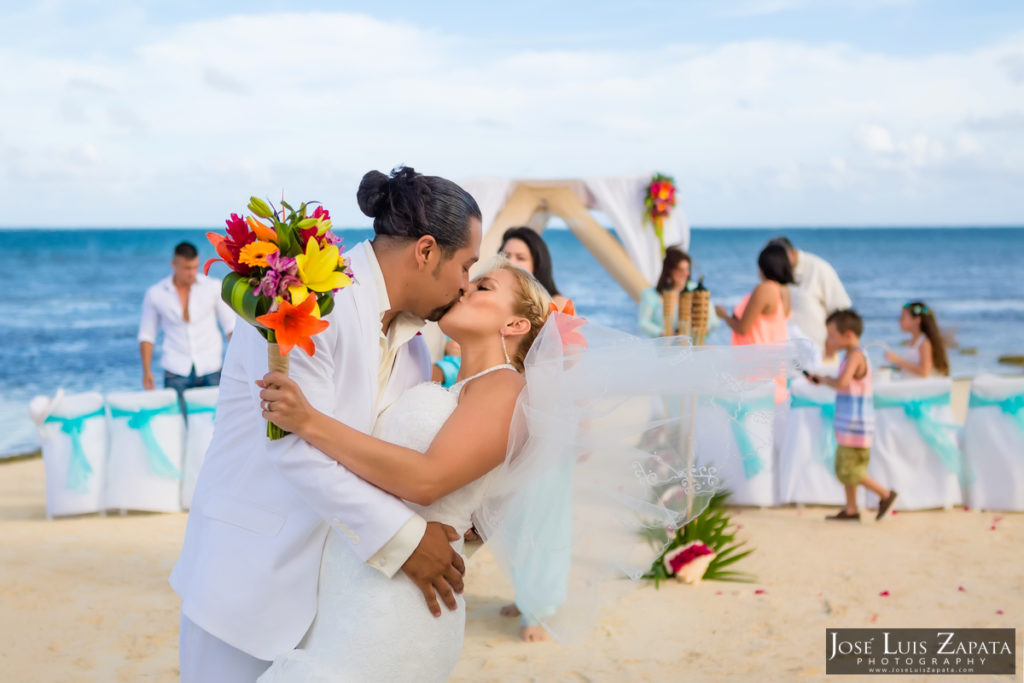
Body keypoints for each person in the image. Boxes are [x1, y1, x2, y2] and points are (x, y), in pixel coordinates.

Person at [255, 259, 790, 679]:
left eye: (482, 286)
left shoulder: (506, 388)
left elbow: (424, 478)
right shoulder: (444, 383)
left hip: (395, 608)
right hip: (360, 587)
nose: (464, 289)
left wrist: (309, 421)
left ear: (515, 323)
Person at [170, 167, 482, 682]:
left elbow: (380, 459)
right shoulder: (304, 294)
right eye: (466, 266)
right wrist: (406, 540)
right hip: (244, 579)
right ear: (426, 251)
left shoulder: (415, 353)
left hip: (335, 603)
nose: (465, 285)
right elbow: (289, 447)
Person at [809, 310, 898, 522]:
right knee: (846, 466)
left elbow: (842, 383)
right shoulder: (850, 355)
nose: (829, 340)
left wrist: (823, 379)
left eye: (832, 336)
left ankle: (886, 495)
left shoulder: (856, 356)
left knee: (851, 469)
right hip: (849, 424)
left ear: (848, 334)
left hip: (856, 425)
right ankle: (851, 509)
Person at [138, 241, 235, 413]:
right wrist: (147, 371)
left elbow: (231, 329)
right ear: (174, 265)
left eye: (194, 267)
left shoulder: (213, 288)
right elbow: (147, 335)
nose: (192, 273)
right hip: (175, 369)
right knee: (181, 425)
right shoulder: (156, 293)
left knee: (217, 421)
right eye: (186, 268)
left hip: (211, 367)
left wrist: (239, 365)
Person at [769, 236, 852, 360]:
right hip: (786, 355)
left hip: (818, 353)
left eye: (779, 259)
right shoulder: (775, 272)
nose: (776, 263)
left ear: (791, 253)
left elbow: (841, 310)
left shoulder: (819, 268)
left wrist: (832, 344)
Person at [499, 226, 569, 309]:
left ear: (537, 265)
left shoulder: (558, 304)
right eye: (506, 256)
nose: (510, 262)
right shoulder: (494, 299)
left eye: (520, 258)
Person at [883, 301, 950, 378]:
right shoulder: (910, 341)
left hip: (919, 387)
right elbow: (909, 366)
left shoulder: (924, 343)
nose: (899, 320)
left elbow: (925, 372)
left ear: (917, 320)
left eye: (903, 317)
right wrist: (892, 367)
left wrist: (899, 360)